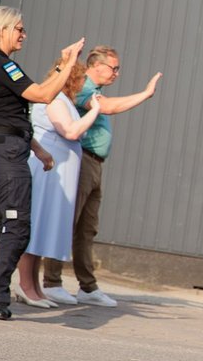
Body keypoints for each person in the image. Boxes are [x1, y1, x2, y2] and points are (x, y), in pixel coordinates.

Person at [0, 6, 84, 320]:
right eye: (19, 29)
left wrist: (35, 147)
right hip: (7, 154)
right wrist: (68, 64)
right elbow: (41, 94)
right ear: (2, 30)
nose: (23, 35)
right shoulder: (0, 63)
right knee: (17, 225)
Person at [40, 46, 161, 307]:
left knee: (87, 228)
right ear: (96, 66)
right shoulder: (84, 87)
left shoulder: (94, 90)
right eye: (113, 68)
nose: (117, 73)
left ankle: (87, 287)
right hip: (81, 161)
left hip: (94, 164)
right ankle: (52, 282)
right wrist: (145, 94)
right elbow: (108, 108)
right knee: (68, 222)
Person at [13, 61, 101, 307]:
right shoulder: (55, 100)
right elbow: (71, 132)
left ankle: (35, 287)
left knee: (43, 230)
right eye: (81, 79)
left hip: (56, 174)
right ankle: (25, 285)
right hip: (48, 172)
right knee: (37, 226)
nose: (84, 84)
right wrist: (95, 110)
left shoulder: (64, 100)